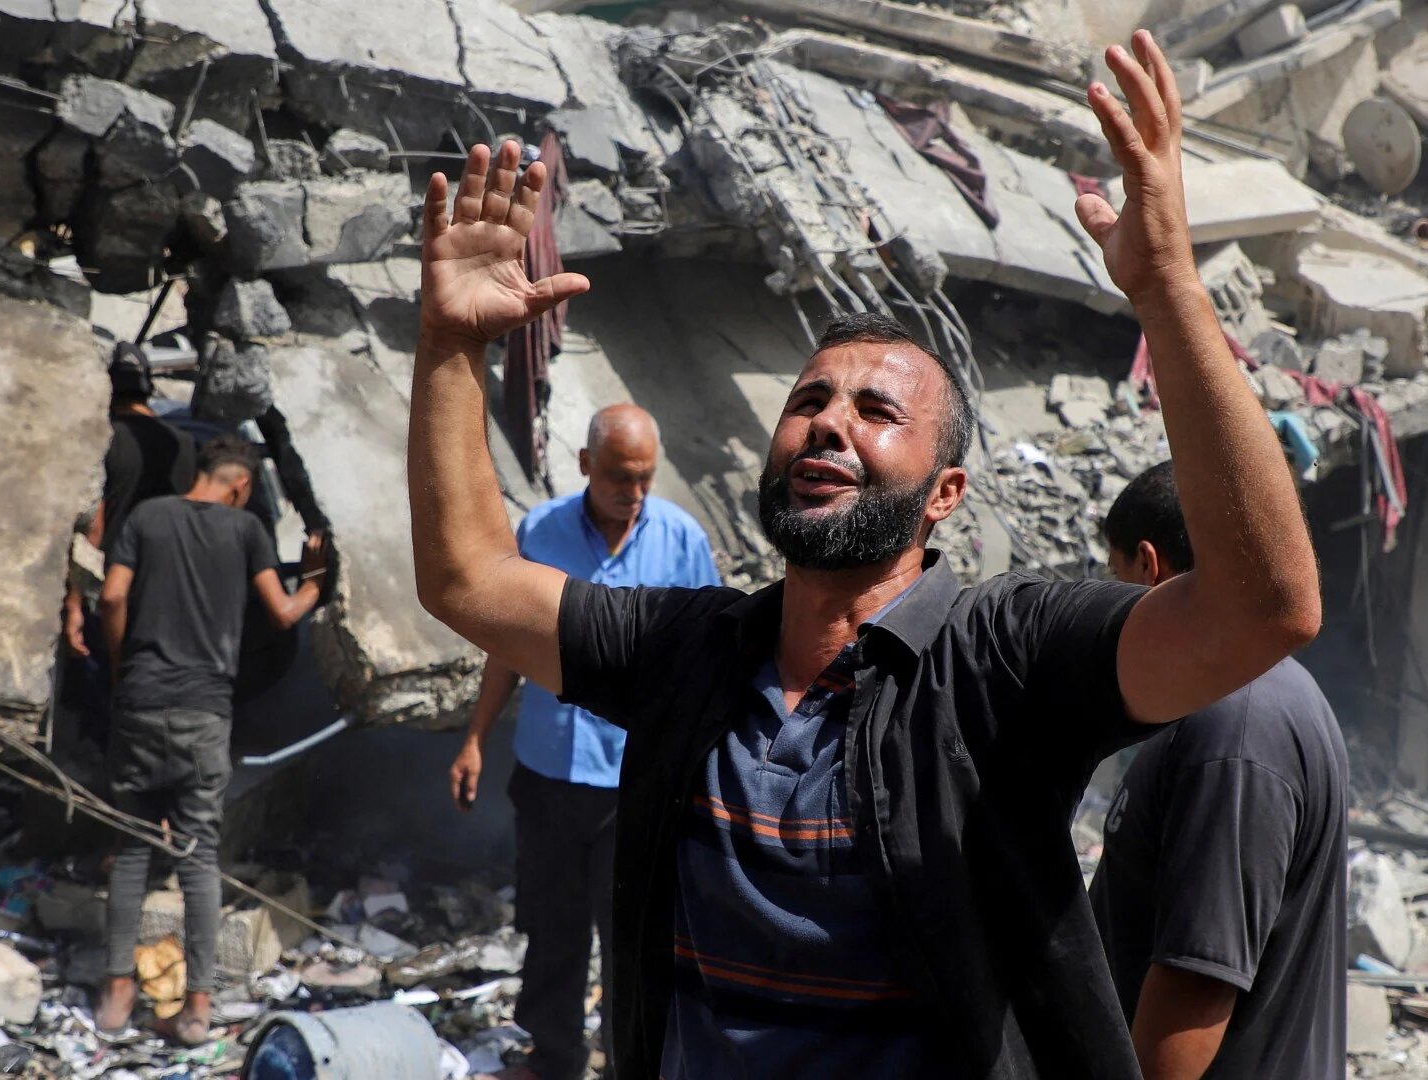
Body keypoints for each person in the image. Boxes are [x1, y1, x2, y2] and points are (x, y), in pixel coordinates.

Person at [406, 29, 1319, 1079]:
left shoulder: (1002, 659)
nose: (830, 423)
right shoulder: (687, 650)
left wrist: (1169, 293)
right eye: (810, 401)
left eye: (876, 410)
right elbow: (468, 579)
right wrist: (450, 348)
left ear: (946, 496)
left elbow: (1265, 609)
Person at [449, 403, 721, 1080]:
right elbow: (506, 647)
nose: (634, 494)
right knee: (550, 925)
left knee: (632, 935)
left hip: (637, 781)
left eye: (645, 479)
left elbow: (712, 659)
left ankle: (632, 1061)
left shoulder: (682, 540)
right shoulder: (539, 531)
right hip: (547, 773)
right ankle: (554, 1056)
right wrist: (475, 738)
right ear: (585, 466)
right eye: (620, 478)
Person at [1089, 462, 1348, 1079]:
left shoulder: (1233, 724)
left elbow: (1197, 979)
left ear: (1148, 568)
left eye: (1113, 576)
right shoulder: (1239, 700)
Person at [94, 436, 327, 1043]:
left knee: (135, 848)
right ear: (242, 486)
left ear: (199, 474)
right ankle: (197, 1005)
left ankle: (118, 990)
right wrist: (315, 582)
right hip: (204, 711)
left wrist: (122, 667)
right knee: (197, 859)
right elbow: (280, 613)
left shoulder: (147, 516)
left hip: (140, 704)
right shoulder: (246, 530)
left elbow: (113, 595)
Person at [63, 343, 197, 672]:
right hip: (169, 588)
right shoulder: (184, 444)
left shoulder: (106, 440)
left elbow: (96, 525)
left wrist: (74, 603)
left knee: (101, 684)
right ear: (148, 387)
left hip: (113, 588)